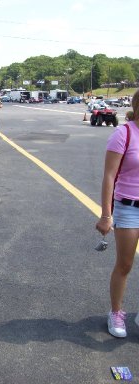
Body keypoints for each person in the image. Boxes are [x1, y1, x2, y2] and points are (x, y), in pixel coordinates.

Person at [96, 89, 139, 339]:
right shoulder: (124, 133)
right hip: (128, 207)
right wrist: (106, 215)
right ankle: (116, 312)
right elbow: (109, 176)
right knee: (125, 264)